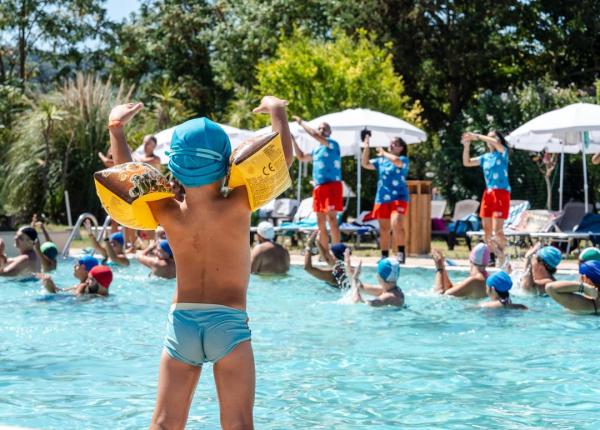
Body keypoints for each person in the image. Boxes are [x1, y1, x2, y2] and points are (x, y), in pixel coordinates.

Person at [104, 95, 293, 429]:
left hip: (183, 324)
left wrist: (117, 130)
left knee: (164, 424)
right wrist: (277, 110)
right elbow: (281, 161)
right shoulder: (239, 203)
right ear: (225, 164)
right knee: (237, 423)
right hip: (228, 325)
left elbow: (127, 178)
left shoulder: (169, 211)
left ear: (174, 166)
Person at [292, 116, 343, 251]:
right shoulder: (316, 150)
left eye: (324, 129)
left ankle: (337, 252)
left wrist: (301, 123)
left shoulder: (332, 144)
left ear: (330, 132)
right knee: (320, 223)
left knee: (332, 220)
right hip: (319, 187)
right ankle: (325, 253)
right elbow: (302, 157)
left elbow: (314, 134)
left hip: (332, 185)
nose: (321, 130)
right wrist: (293, 140)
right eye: (319, 128)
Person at [462, 130, 510, 266]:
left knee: (497, 230)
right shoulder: (485, 157)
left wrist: (477, 136)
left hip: (501, 193)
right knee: (487, 230)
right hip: (488, 194)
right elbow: (467, 162)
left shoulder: (503, 153)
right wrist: (466, 145)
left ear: (499, 139)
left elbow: (495, 142)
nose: (490, 139)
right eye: (488, 136)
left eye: (493, 136)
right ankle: (494, 258)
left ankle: (502, 257)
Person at [361, 134, 410, 262]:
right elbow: (365, 164)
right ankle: (384, 255)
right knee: (384, 229)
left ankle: (400, 253)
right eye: (391, 143)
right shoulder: (381, 160)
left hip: (399, 197)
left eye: (395, 144)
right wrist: (366, 147)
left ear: (401, 148)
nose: (391, 145)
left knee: (397, 224)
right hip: (382, 198)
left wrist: (383, 152)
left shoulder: (403, 159)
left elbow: (397, 162)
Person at [40, 264, 112, 297]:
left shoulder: (94, 297)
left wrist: (52, 290)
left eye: (91, 279)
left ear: (100, 283)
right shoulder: (85, 289)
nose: (87, 281)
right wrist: (51, 285)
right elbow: (62, 293)